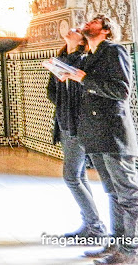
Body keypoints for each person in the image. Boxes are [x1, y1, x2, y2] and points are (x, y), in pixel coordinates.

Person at [67, 14, 138, 265]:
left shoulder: (114, 50)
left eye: (96, 21)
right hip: (97, 135)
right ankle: (116, 245)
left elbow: (121, 90)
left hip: (114, 134)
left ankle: (130, 253)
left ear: (106, 31)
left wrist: (84, 79)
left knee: (128, 195)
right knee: (113, 192)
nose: (88, 23)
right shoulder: (90, 55)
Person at [46, 27, 106, 241]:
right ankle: (91, 223)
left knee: (71, 176)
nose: (72, 29)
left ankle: (95, 226)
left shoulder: (83, 60)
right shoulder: (61, 58)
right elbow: (51, 91)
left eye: (77, 30)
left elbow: (84, 90)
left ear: (81, 40)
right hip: (65, 121)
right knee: (78, 176)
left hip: (77, 124)